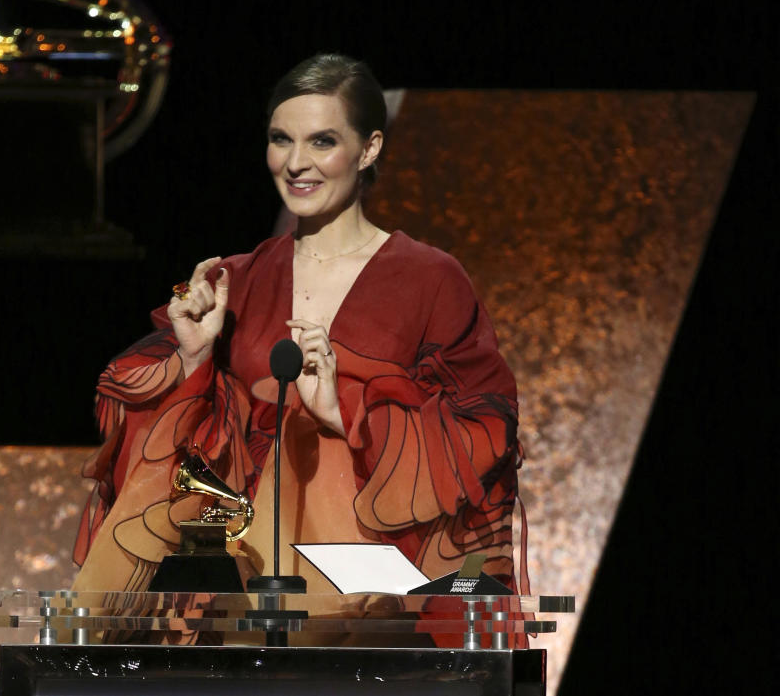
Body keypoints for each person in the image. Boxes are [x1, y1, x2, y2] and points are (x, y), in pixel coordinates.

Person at [72, 54, 527, 620]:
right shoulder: (235, 280)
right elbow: (169, 456)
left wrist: (344, 415)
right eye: (281, 139)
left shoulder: (430, 279)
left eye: (321, 141)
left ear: (370, 149)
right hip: (241, 582)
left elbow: (486, 429)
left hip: (369, 576)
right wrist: (194, 355)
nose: (295, 163)